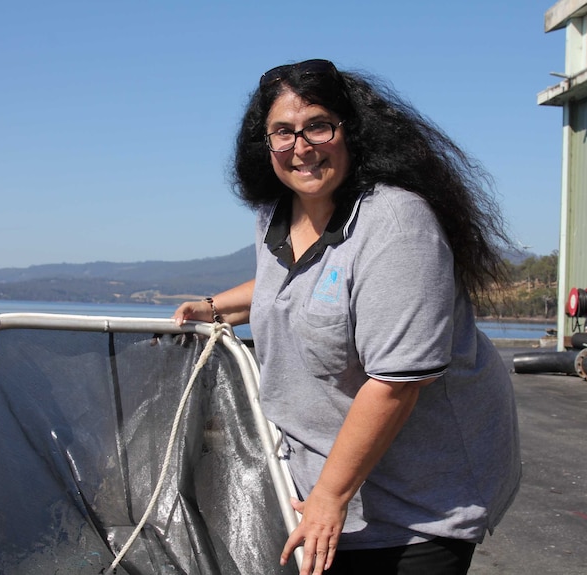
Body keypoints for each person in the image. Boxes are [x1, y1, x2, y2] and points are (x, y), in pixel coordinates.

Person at [173, 58, 520, 575]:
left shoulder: (396, 223)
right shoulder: (277, 215)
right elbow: (292, 286)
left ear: (350, 131)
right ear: (264, 144)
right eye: (282, 132)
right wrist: (213, 307)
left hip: (417, 500)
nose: (301, 146)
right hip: (319, 482)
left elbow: (395, 383)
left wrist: (329, 499)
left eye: (317, 125)